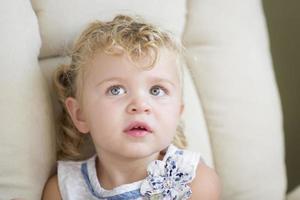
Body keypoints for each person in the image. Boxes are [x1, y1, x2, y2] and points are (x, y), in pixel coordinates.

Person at [42, 15, 220, 200]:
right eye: (116, 90)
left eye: (157, 90)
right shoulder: (63, 189)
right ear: (80, 115)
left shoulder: (193, 181)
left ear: (177, 113)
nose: (140, 105)